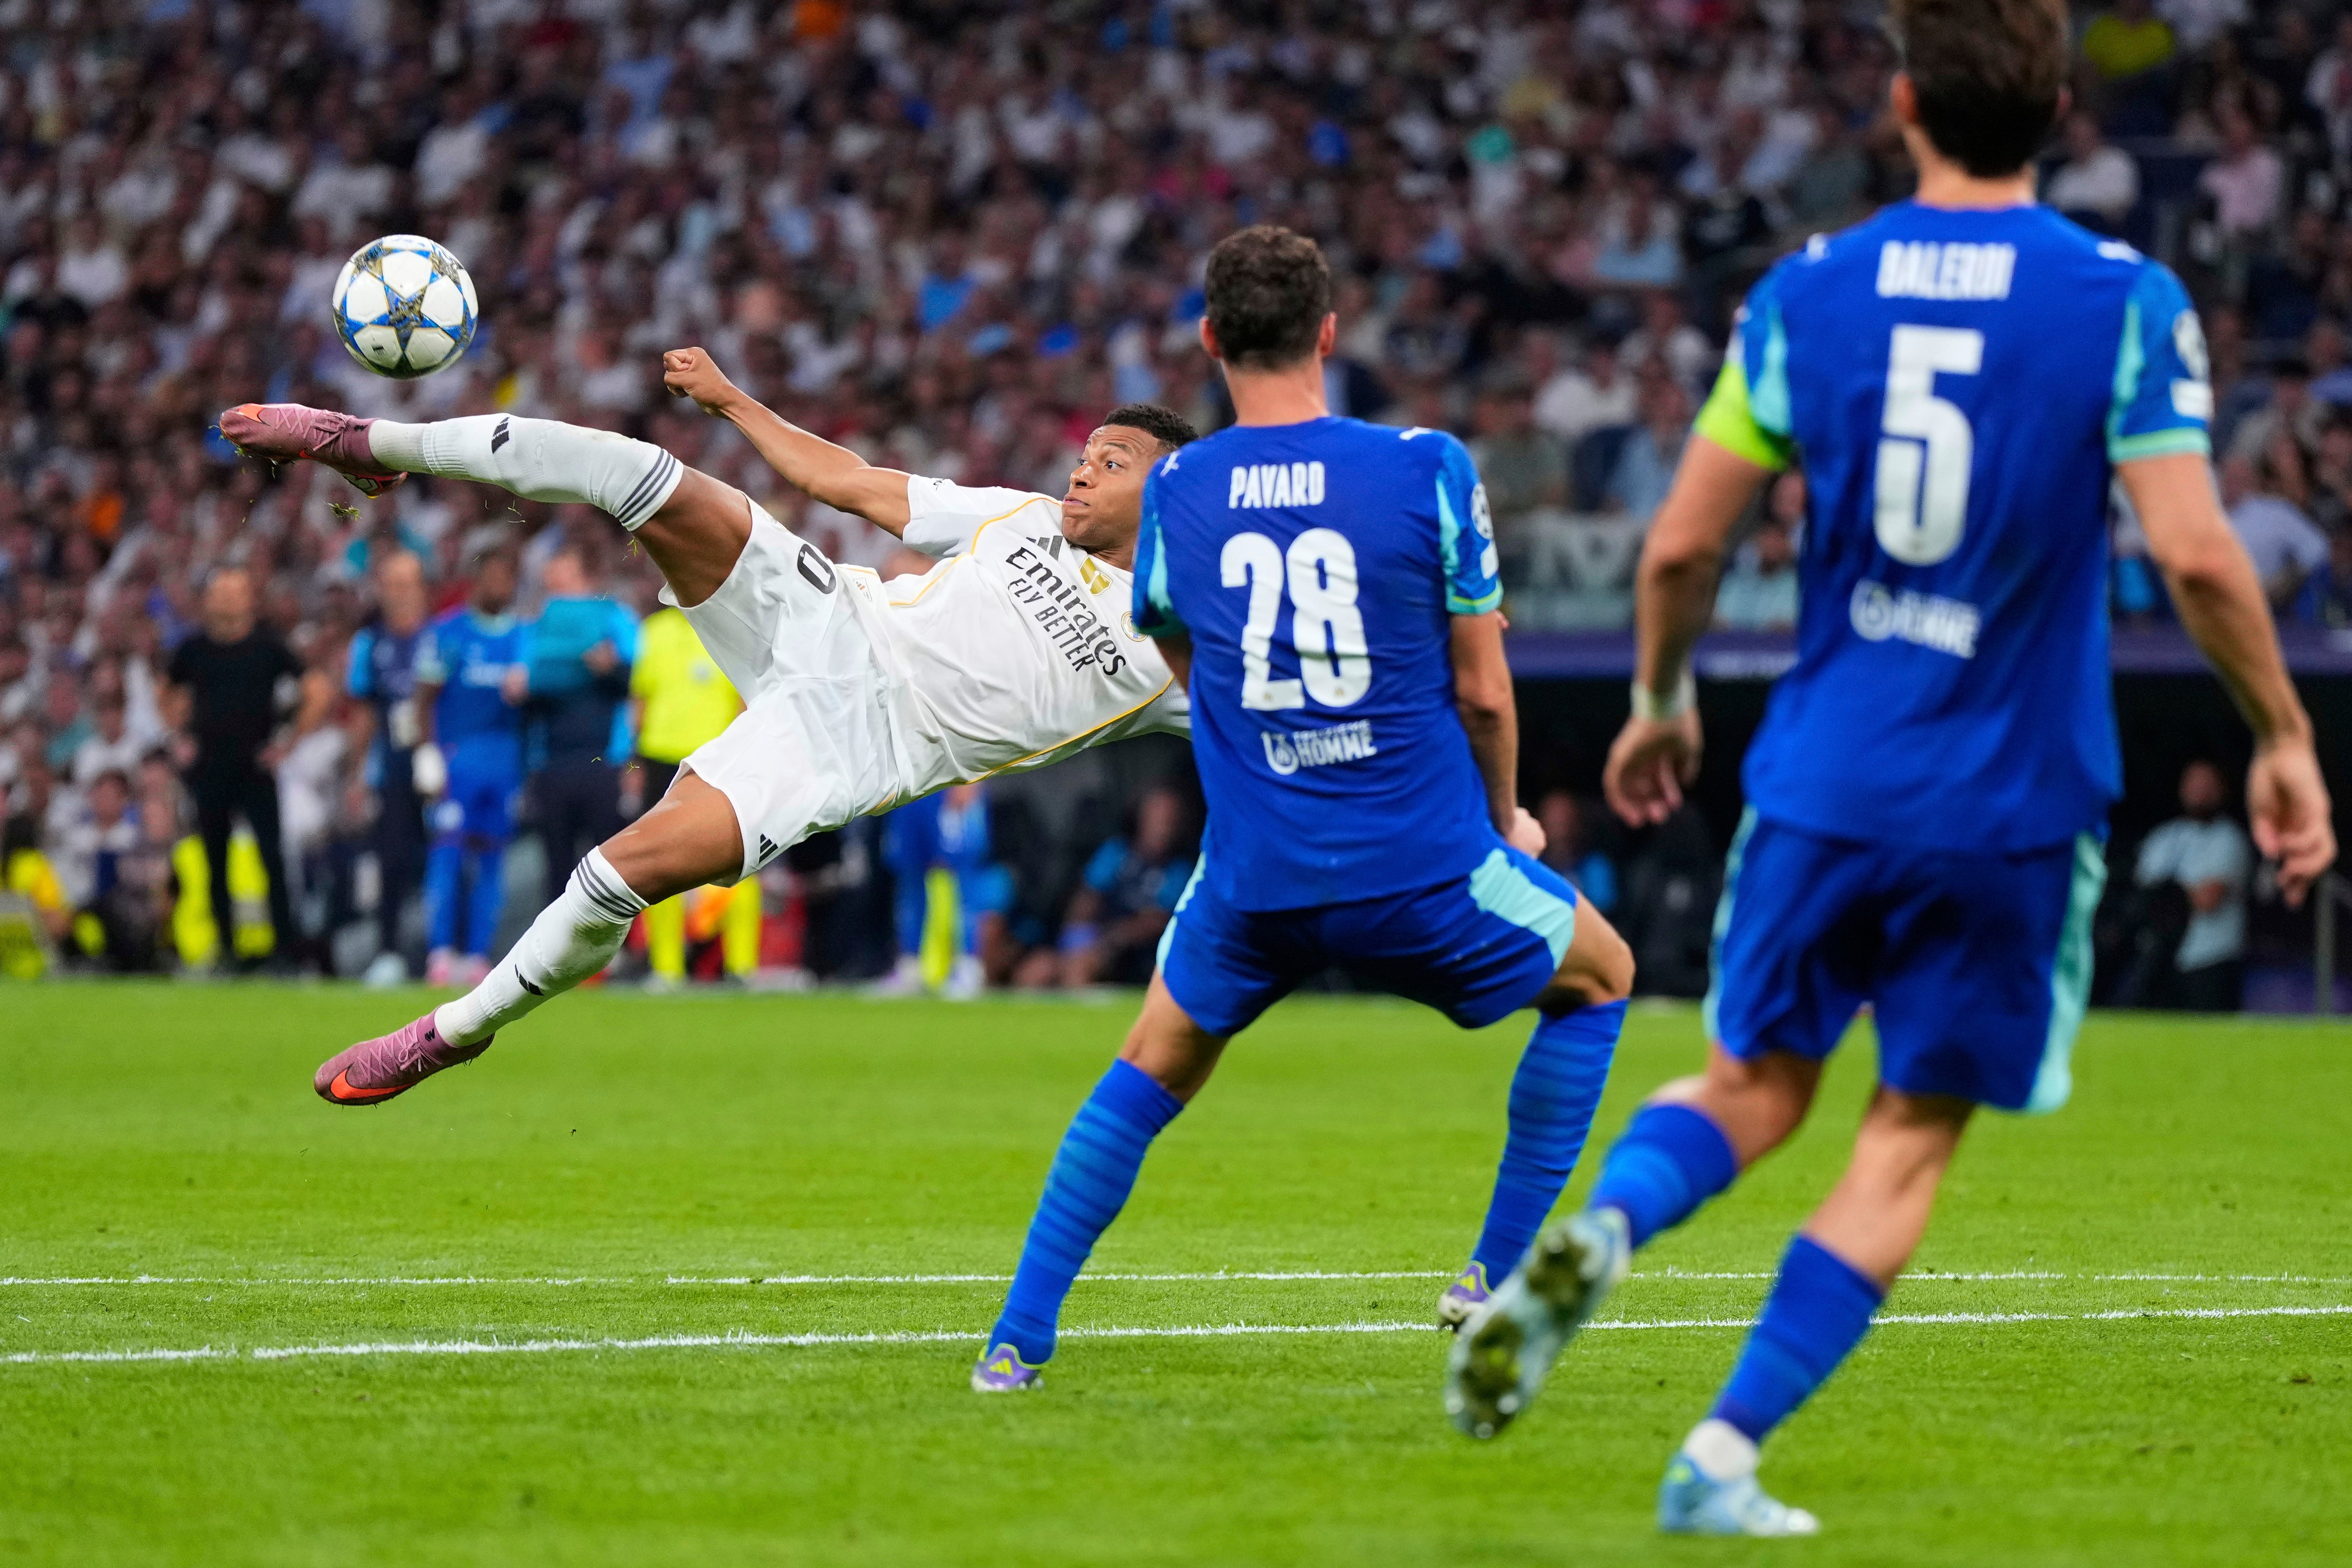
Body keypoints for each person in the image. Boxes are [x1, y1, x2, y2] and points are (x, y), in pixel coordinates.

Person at [1442, 0, 2337, 1537]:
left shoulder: (1808, 293)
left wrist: (1657, 697)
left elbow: (1682, 541)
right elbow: (2194, 550)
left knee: (1753, 1083)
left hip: (1824, 778)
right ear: (2058, 109)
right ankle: (1720, 1454)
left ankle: (1599, 1226)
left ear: (1905, 103)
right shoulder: (2122, 296)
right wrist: (2283, 732)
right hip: (2010, 797)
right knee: (1908, 1128)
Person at [970, 226, 1635, 1392]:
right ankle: (1490, 1275)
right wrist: (1505, 821)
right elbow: (1483, 691)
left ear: (1210, 339)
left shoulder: (1177, 487)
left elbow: (1181, 650)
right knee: (1602, 976)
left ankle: (1015, 1343)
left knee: (1147, 1070)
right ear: (1331, 333)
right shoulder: (1426, 465)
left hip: (1256, 878)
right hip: (1420, 862)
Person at [219, 360, 1197, 1105]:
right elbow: (850, 481)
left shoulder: (1188, 646)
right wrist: (731, 400)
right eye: (1079, 458)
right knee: (634, 468)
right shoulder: (1014, 517)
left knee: (618, 870)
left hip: (859, 746)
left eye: (1107, 464)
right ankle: (370, 442)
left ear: (1167, 490)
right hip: (829, 619)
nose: (1077, 477)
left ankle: (457, 1027)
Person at [162, 565, 307, 973]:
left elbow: (314, 688)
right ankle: (225, 947)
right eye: (219, 591)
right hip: (210, 765)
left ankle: (285, 949)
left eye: (234, 591)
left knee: (272, 857)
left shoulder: (268, 646)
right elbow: (167, 689)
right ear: (207, 599)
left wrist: (288, 742)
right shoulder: (192, 649)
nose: (226, 599)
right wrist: (179, 736)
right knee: (214, 859)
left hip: (256, 766)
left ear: (250, 599)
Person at [414, 537, 529, 988]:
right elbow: (423, 700)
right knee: (447, 856)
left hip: (504, 766)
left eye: (509, 578)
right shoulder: (448, 633)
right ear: (476, 581)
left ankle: (479, 954)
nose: (502, 586)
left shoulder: (524, 637)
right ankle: (440, 952)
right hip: (456, 764)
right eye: (495, 576)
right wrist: (425, 755)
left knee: (492, 862)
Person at [627, 600, 745, 987]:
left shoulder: (732, 624)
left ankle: (740, 966)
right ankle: (667, 968)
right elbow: (640, 701)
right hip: (662, 756)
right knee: (660, 865)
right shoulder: (655, 630)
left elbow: (745, 701)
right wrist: (634, 762)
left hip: (718, 758)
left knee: (739, 861)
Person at [523, 544, 639, 905]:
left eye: (561, 572)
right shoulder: (537, 624)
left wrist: (611, 669)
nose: (552, 580)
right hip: (552, 762)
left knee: (609, 865)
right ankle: (559, 959)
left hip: (604, 759)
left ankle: (615, 956)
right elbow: (526, 685)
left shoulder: (616, 619)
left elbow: (638, 684)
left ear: (583, 575)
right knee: (557, 867)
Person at [346, 549, 433, 984]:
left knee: (446, 858)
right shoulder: (370, 643)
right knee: (391, 862)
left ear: (422, 588)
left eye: (407, 583)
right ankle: (389, 953)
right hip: (392, 769)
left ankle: (444, 953)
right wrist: (356, 773)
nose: (398, 593)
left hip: (437, 767)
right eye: (391, 584)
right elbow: (363, 713)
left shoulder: (440, 637)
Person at [2134, 759, 2253, 1010]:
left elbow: (2209, 900)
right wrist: (2181, 895)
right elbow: (2141, 898)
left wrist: (2167, 895)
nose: (2200, 791)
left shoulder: (2230, 838)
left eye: (2207, 784)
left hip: (2213, 958)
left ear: (2222, 791)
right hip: (2161, 959)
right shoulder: (2163, 837)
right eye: (2193, 783)